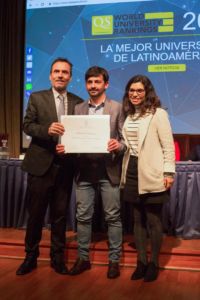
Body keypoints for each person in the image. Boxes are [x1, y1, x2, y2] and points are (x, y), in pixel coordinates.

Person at [57, 66, 126, 278]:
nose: (93, 86)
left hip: (109, 170)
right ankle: (83, 258)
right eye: (89, 82)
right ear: (86, 84)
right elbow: (71, 138)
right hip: (84, 171)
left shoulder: (118, 107)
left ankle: (114, 261)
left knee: (113, 217)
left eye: (97, 82)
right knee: (83, 217)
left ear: (106, 84)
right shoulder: (77, 109)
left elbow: (126, 140)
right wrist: (64, 147)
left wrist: (118, 145)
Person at [16, 58, 83, 276]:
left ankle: (57, 259)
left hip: (65, 167)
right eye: (56, 71)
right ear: (50, 75)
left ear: (70, 77)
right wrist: (47, 129)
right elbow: (27, 125)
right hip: (39, 166)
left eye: (65, 72)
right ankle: (30, 257)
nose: (60, 75)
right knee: (35, 215)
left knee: (60, 216)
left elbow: (81, 133)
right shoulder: (36, 97)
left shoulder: (78, 102)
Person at [120, 75, 175, 282]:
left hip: (152, 171)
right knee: (136, 220)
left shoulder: (158, 114)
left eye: (139, 91)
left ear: (147, 92)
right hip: (132, 170)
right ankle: (141, 262)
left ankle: (154, 263)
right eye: (132, 90)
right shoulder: (129, 115)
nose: (135, 94)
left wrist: (168, 172)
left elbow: (168, 146)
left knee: (153, 220)